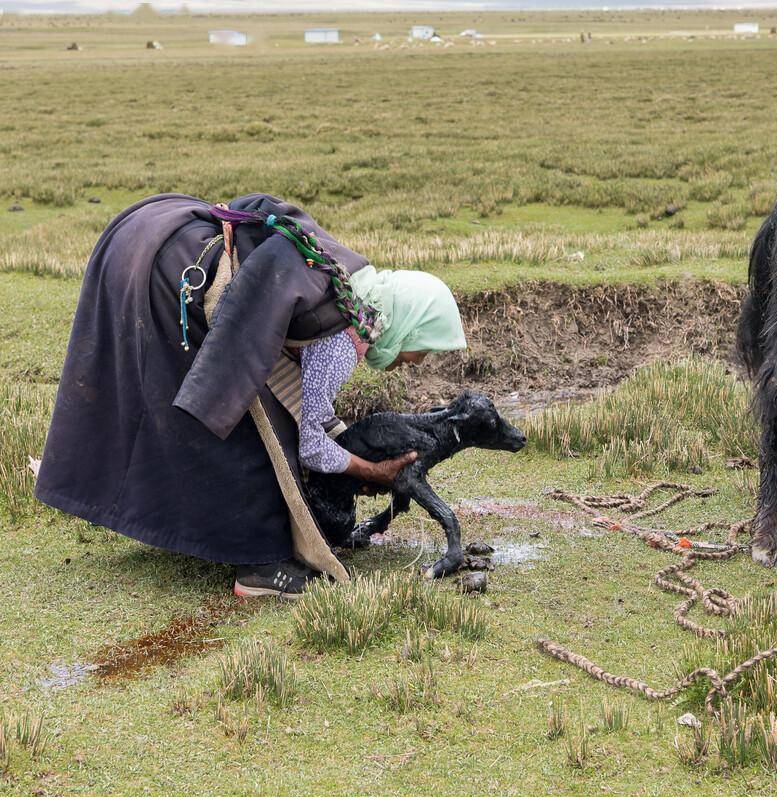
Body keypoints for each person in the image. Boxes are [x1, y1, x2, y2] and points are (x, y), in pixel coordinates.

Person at [35, 194, 467, 598]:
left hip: (149, 237)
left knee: (178, 397)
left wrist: (338, 438)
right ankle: (262, 569)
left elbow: (295, 386)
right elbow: (312, 448)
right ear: (406, 324)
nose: (418, 361)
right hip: (171, 277)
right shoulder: (340, 341)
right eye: (423, 347)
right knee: (245, 432)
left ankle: (179, 526)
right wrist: (370, 470)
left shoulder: (348, 282)